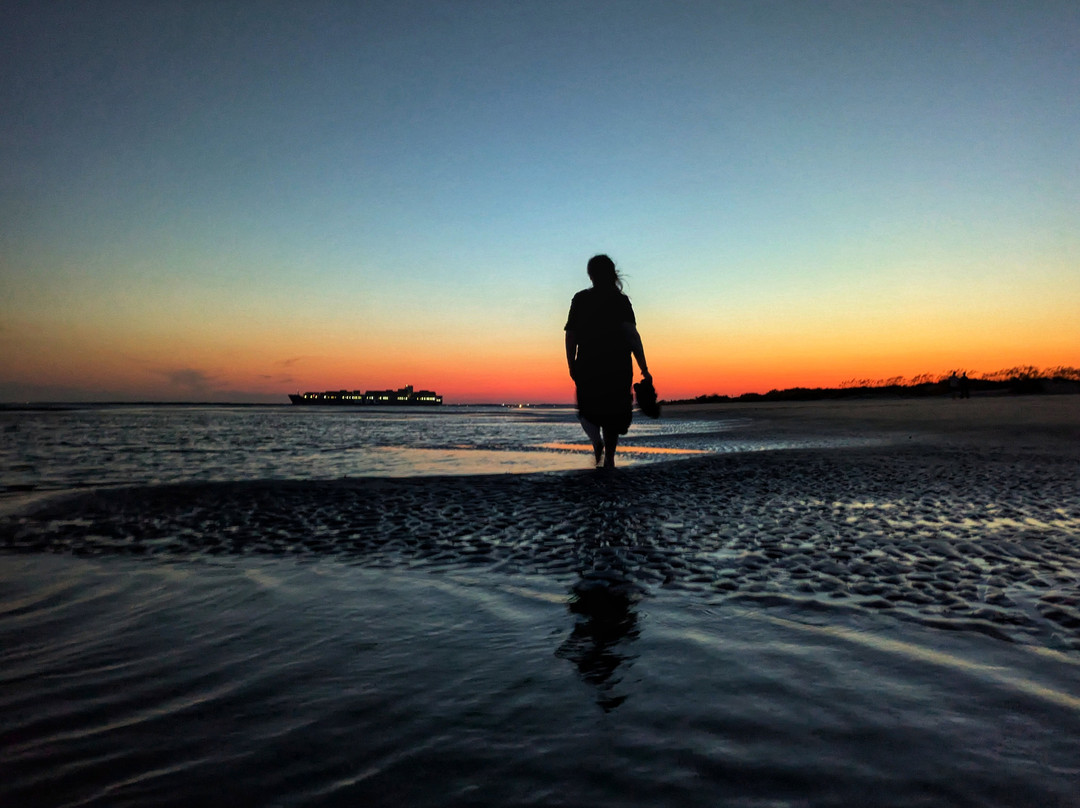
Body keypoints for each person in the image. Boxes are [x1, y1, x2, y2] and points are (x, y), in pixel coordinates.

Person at [564, 254, 650, 469]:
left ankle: (597, 444)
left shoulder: (581, 299)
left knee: (587, 410)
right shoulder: (620, 300)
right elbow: (632, 336)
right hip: (617, 365)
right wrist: (644, 367)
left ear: (590, 275)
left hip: (588, 364)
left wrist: (571, 364)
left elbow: (570, 335)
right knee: (612, 412)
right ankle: (609, 459)